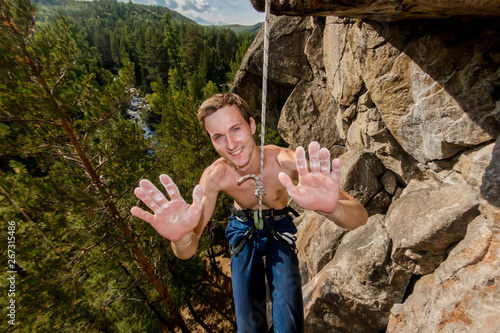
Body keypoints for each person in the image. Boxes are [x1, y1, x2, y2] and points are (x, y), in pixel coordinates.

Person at [130, 93, 368, 332]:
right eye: (219, 137)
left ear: (252, 125)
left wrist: (333, 208)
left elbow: (360, 218)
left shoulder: (284, 162)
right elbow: (188, 249)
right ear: (211, 141)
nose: (231, 144)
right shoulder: (215, 176)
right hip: (242, 229)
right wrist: (182, 238)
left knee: (290, 327)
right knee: (248, 329)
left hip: (279, 227)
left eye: (235, 129)